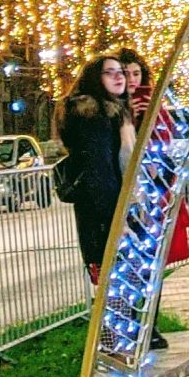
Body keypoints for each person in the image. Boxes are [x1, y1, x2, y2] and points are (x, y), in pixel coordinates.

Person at [59, 52, 134, 280]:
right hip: (104, 219)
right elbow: (100, 170)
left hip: (107, 214)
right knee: (117, 285)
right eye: (109, 73)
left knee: (123, 284)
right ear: (95, 79)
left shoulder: (113, 113)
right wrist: (116, 219)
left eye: (120, 72)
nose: (118, 77)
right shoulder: (94, 117)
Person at [118, 48, 189, 266]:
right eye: (127, 74)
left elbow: (163, 135)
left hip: (152, 180)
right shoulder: (116, 104)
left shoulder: (150, 101)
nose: (132, 79)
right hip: (131, 181)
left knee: (154, 242)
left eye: (136, 74)